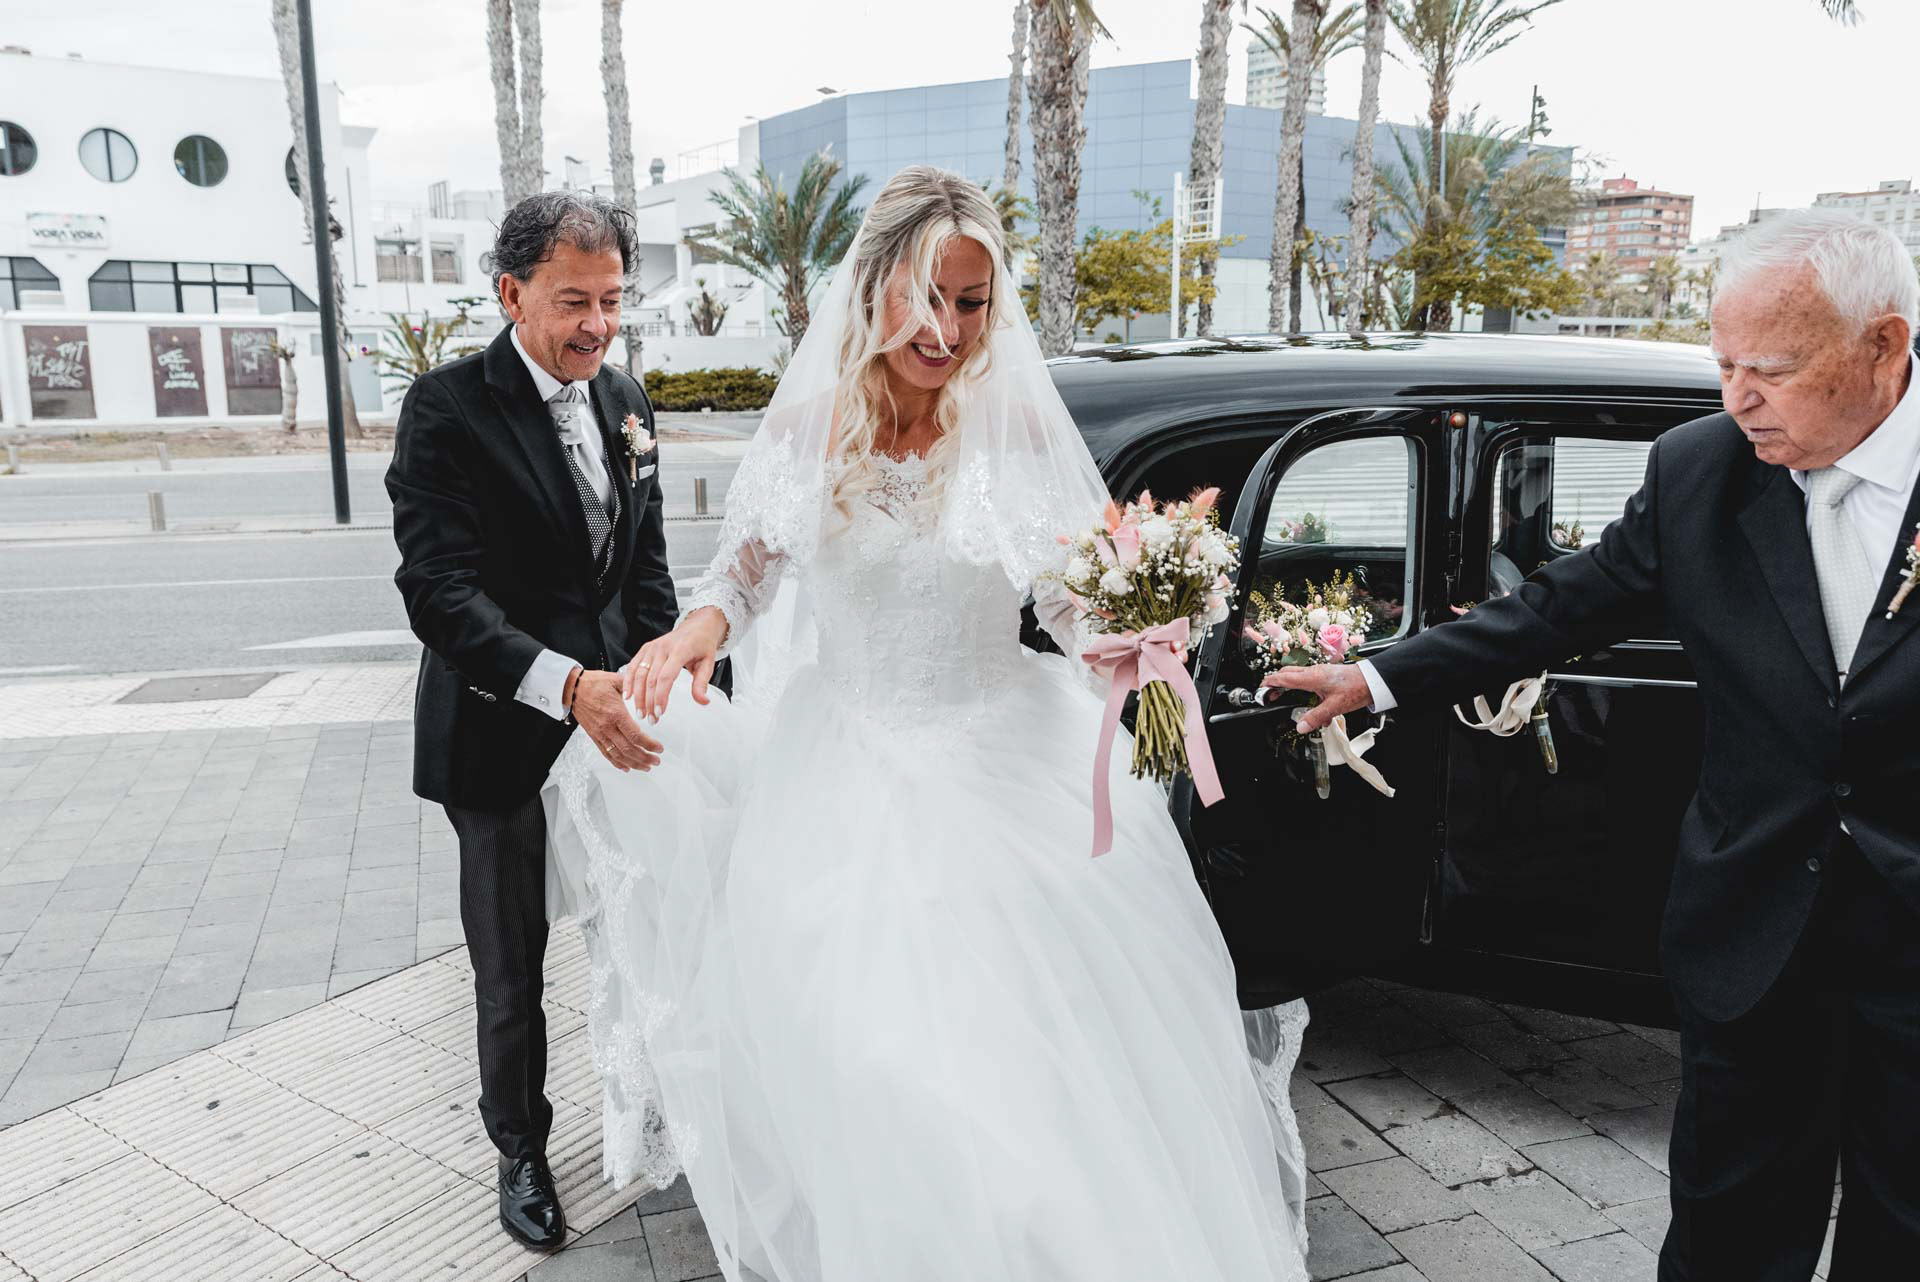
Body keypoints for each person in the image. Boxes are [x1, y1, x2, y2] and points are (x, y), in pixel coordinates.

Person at [541, 167, 1312, 1281]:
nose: (948, 330)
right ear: (875, 289)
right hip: (842, 776)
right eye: (928, 299)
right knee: (875, 1054)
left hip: (1008, 764)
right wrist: (692, 633)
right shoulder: (810, 430)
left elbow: (1065, 600)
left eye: (973, 303)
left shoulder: (1011, 440)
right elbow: (744, 576)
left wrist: (1141, 642)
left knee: (1035, 1068)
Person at [1272, 210, 1920, 1282]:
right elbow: (1556, 610)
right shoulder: (1700, 469)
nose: (1735, 398)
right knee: (1728, 1234)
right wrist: (1378, 675)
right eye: (1721, 364)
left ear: (1884, 346)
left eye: (1770, 369)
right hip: (1753, 937)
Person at [386, 190, 675, 1251]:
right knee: (511, 969)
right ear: (510, 293)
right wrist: (566, 684)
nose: (597, 324)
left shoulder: (627, 399)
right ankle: (520, 1149)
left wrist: (666, 675)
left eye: (611, 300)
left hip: (620, 727)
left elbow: (642, 569)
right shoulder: (448, 407)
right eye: (572, 302)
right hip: (503, 733)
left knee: (640, 924)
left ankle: (646, 1102)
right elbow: (440, 593)